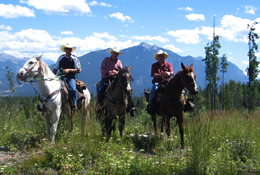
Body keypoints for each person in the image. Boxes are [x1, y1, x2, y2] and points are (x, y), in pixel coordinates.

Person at [97, 47, 136, 116]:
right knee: (101, 90)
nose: (115, 54)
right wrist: (108, 72)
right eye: (114, 53)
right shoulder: (106, 60)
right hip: (106, 78)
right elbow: (101, 70)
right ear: (111, 53)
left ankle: (130, 106)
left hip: (115, 79)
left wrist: (115, 72)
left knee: (126, 89)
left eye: (117, 53)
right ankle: (99, 106)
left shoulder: (119, 62)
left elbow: (122, 72)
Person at [53, 43, 81, 110]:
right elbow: (55, 68)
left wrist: (69, 70)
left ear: (71, 50)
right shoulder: (61, 57)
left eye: (69, 49)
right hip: (60, 76)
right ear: (64, 50)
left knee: (73, 89)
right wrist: (52, 76)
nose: (68, 50)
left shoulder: (74, 58)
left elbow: (78, 70)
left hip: (70, 77)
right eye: (67, 49)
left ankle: (74, 104)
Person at [146, 50, 174, 114]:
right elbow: (154, 75)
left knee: (178, 88)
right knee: (154, 89)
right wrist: (161, 75)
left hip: (167, 81)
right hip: (158, 82)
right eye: (159, 56)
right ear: (157, 58)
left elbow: (172, 72)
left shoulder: (169, 64)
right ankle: (150, 105)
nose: (161, 57)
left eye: (162, 56)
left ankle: (183, 103)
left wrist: (169, 73)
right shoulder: (154, 65)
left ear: (164, 57)